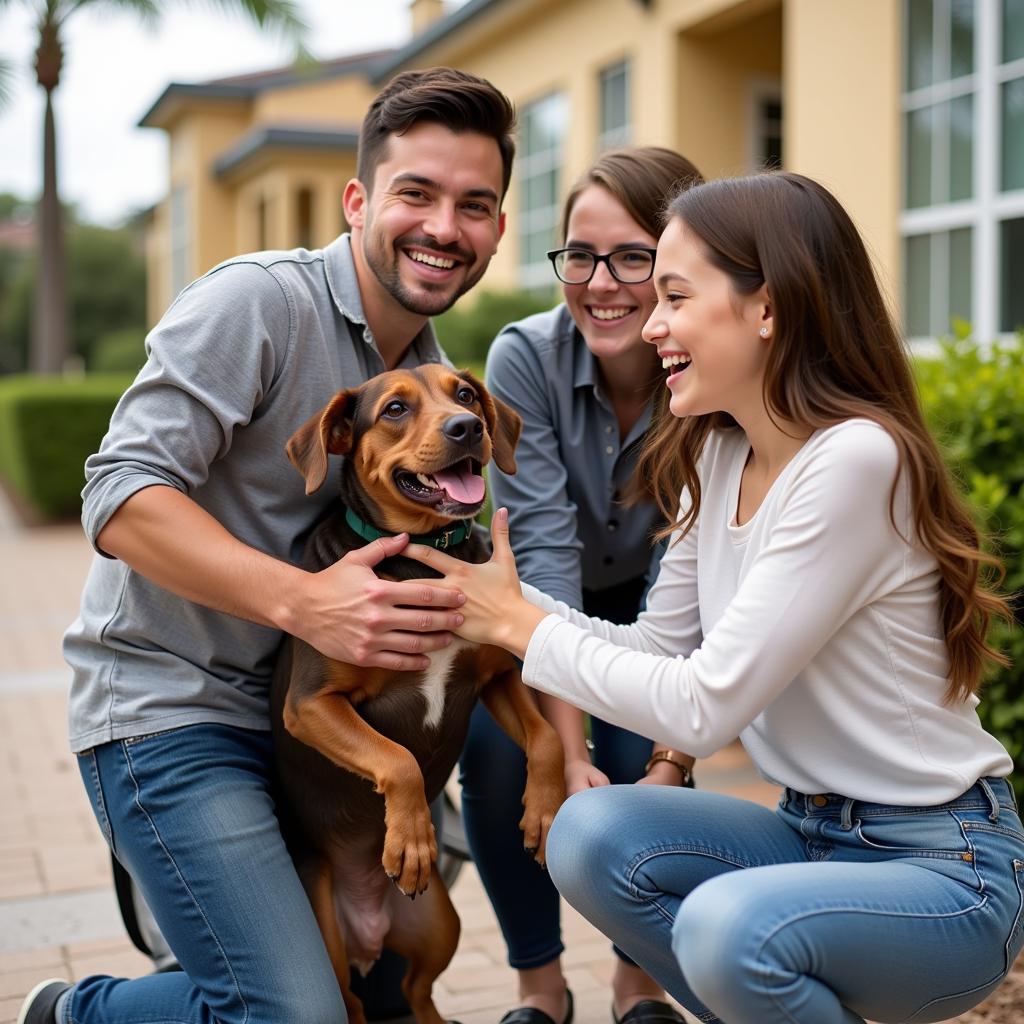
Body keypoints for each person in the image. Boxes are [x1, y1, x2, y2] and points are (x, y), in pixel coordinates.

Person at [406, 171, 1024, 1024]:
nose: (649, 324)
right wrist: (516, 611)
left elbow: (702, 708)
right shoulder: (719, 455)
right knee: (588, 836)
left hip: (942, 867)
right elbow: (662, 649)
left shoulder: (856, 461)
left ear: (765, 308)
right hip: (809, 831)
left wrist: (519, 625)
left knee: (728, 929)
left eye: (674, 295)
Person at [18, 67, 514, 1024]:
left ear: (496, 227)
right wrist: (303, 600)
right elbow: (117, 494)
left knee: (359, 987)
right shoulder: (256, 303)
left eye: (476, 204)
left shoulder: (430, 380)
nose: (445, 227)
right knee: (292, 1013)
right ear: (359, 198)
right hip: (176, 710)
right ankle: (78, 1012)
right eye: (417, 193)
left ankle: (225, 943)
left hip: (322, 732)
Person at [458, 147, 701, 1024]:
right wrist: (562, 749)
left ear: (681, 262)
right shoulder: (523, 356)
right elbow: (544, 563)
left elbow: (693, 602)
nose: (601, 283)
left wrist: (670, 757)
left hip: (660, 607)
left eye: (633, 258)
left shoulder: (707, 372)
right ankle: (539, 987)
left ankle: (639, 986)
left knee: (643, 762)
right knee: (504, 750)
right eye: (579, 256)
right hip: (545, 600)